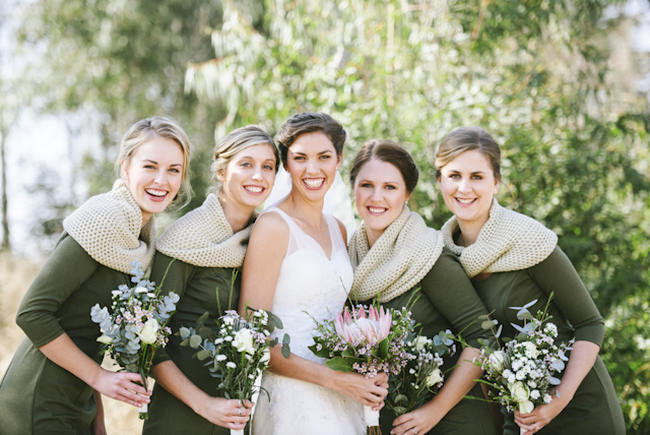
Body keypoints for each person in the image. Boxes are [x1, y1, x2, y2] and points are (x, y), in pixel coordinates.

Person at [0, 116, 191, 434]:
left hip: (78, 403)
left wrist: (97, 422)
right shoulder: (101, 219)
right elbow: (32, 313)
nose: (162, 180)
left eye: (174, 170)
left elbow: (91, 339)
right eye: (150, 166)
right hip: (38, 400)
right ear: (125, 166)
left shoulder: (141, 238)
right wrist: (100, 378)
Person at [435, 126, 626, 435]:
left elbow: (591, 323)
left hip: (578, 409)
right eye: (454, 176)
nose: (464, 188)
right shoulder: (442, 257)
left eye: (477, 177)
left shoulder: (528, 239)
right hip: (517, 417)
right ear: (440, 181)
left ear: (496, 183)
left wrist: (557, 401)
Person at [239, 112, 388, 435]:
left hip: (345, 396)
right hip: (292, 399)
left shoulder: (339, 230)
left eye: (324, 157)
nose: (312, 169)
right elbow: (253, 337)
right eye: (300, 158)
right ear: (286, 164)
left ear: (339, 160)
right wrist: (335, 379)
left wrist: (367, 369)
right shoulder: (273, 226)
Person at [348, 139, 496, 435]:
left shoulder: (427, 255)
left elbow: (483, 339)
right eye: (366, 185)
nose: (376, 197)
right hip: (391, 421)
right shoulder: (348, 256)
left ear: (407, 194)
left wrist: (434, 411)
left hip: (450, 421)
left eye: (390, 187)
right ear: (352, 188)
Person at [142, 125, 279, 434]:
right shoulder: (183, 239)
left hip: (237, 416)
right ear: (221, 170)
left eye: (267, 167)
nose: (258, 175)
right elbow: (147, 341)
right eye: (246, 164)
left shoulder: (264, 239)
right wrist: (204, 403)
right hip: (180, 416)